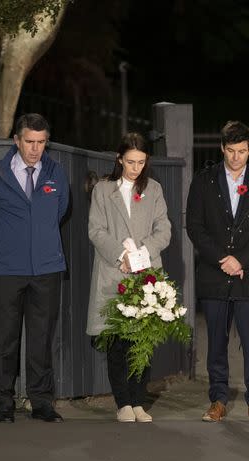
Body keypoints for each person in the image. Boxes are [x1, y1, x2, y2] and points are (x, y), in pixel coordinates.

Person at [0, 113, 68, 423]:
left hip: (47, 268)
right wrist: (7, 242)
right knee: (5, 336)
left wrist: (38, 240)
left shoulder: (57, 174)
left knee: (41, 337)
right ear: (17, 141)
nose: (35, 148)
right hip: (6, 268)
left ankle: (41, 401)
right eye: (29, 142)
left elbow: (60, 211)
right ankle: (4, 401)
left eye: (41, 143)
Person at [186, 120, 249, 424]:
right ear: (222, 148)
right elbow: (195, 226)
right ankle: (218, 399)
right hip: (214, 274)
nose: (236, 157)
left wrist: (240, 260)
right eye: (231, 151)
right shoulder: (204, 181)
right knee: (216, 341)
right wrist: (221, 259)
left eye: (242, 151)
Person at [86, 132, 171, 423]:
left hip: (146, 273)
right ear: (119, 159)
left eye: (141, 162)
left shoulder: (155, 190)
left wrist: (141, 254)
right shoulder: (103, 190)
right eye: (131, 162)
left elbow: (164, 230)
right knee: (117, 341)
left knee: (142, 339)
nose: (136, 168)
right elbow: (96, 230)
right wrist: (120, 256)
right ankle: (122, 402)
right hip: (114, 272)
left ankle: (138, 401)